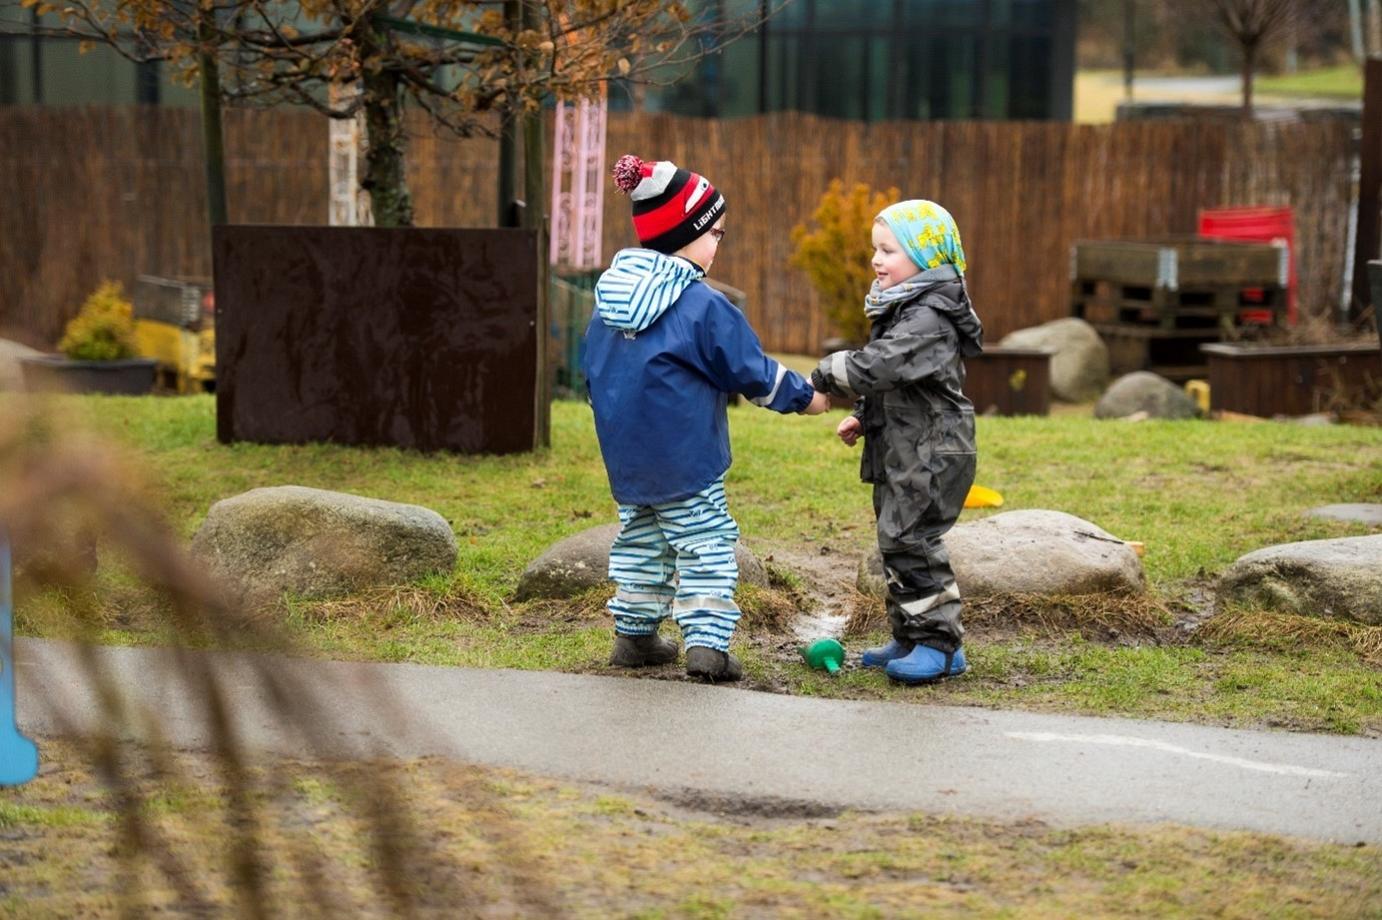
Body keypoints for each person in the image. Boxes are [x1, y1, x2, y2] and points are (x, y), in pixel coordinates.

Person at [583, 154, 831, 683]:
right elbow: (752, 371)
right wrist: (805, 396)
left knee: (641, 542)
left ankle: (635, 637)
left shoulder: (607, 301)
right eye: (715, 233)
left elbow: (593, 373)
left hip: (625, 457)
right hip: (687, 457)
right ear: (686, 233)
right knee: (706, 543)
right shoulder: (701, 304)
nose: (719, 245)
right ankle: (708, 647)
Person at [810, 199, 982, 685]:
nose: (876, 260)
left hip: (932, 449)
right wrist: (865, 417)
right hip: (904, 445)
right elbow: (900, 383)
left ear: (927, 258)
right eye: (875, 249)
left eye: (888, 250)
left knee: (914, 539)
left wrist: (826, 374)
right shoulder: (907, 307)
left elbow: (883, 364)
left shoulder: (931, 316)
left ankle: (941, 645)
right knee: (895, 539)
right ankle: (909, 635)